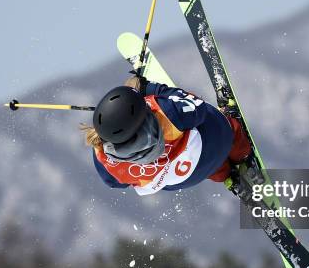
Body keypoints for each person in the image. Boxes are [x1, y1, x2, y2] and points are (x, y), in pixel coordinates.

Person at [82, 76, 253, 196]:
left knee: (187, 163)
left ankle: (227, 176)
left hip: (189, 177)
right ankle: (242, 155)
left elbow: (113, 182)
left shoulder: (104, 159)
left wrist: (110, 125)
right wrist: (149, 88)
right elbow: (196, 107)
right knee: (221, 126)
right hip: (217, 139)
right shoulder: (166, 113)